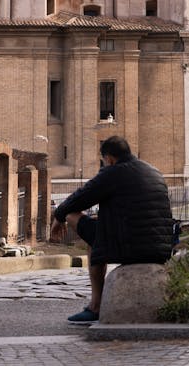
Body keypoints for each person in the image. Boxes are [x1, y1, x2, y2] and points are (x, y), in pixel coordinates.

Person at [50, 135, 173, 324]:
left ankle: (95, 306)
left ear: (109, 158)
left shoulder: (113, 172)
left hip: (131, 246)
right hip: (161, 248)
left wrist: (58, 217)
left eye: (104, 161)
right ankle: (95, 305)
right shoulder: (153, 171)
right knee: (96, 229)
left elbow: (80, 197)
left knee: (77, 221)